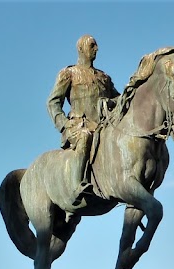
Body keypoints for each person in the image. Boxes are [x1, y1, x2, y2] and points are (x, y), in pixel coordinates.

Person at [46, 35, 120, 205]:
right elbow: (53, 102)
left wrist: (111, 102)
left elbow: (119, 99)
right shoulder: (69, 73)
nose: (96, 49)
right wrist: (64, 124)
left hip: (102, 127)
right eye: (92, 45)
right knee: (85, 136)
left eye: (96, 46)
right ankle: (76, 185)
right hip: (78, 126)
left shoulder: (104, 77)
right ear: (81, 49)